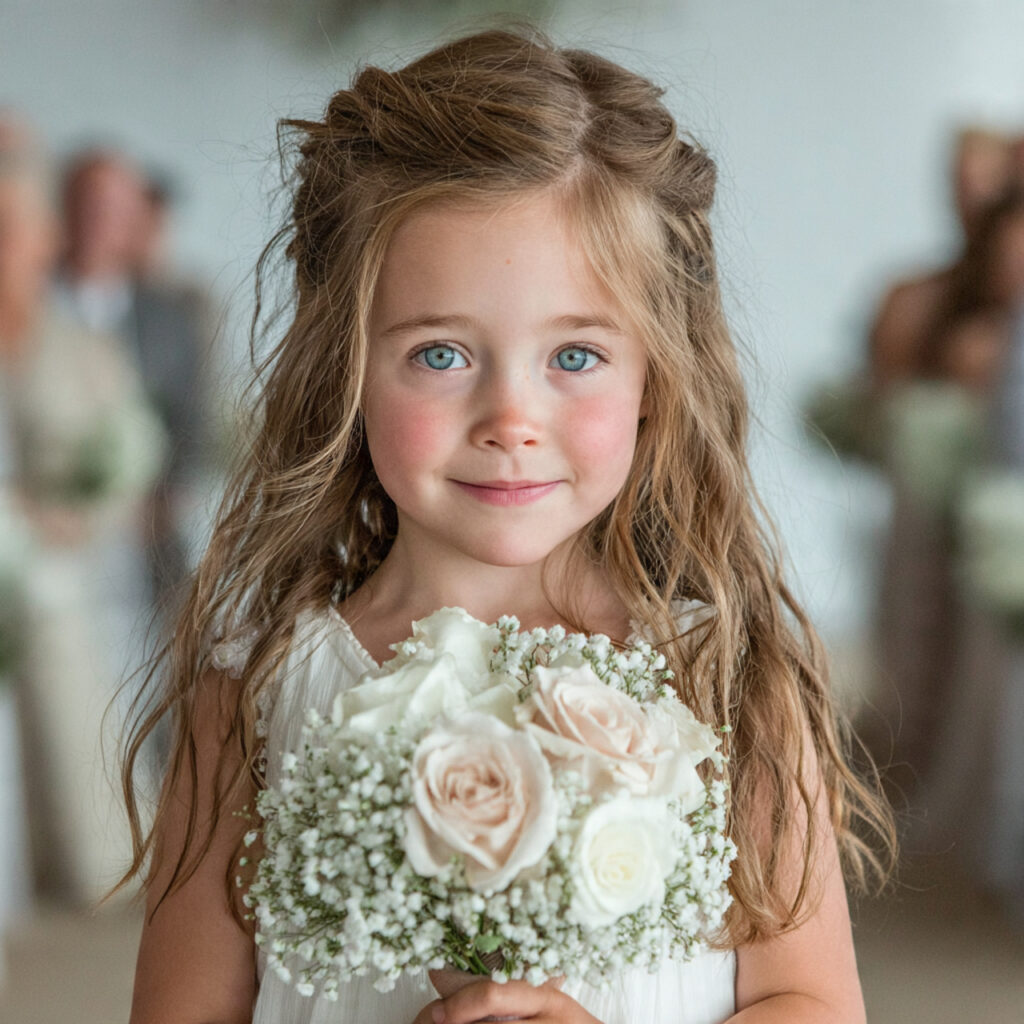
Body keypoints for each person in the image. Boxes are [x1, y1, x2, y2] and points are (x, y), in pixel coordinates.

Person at [122, 29, 894, 1024]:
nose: (511, 421)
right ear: (347, 370)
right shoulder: (254, 701)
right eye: (441, 354)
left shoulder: (728, 681)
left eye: (574, 357)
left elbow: (810, 1000)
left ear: (656, 374)